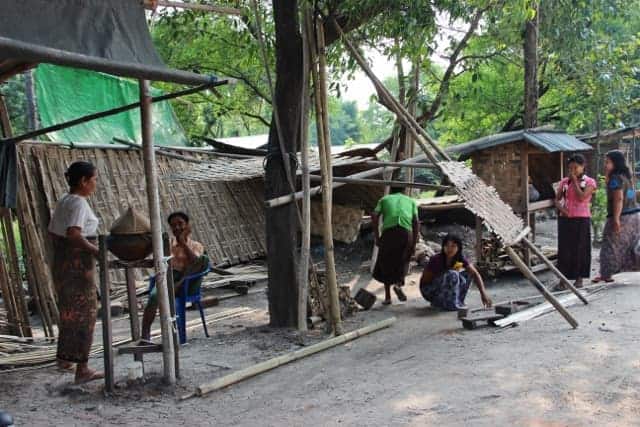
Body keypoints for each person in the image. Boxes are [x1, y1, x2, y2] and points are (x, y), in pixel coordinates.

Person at [48, 161, 103, 384]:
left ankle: (65, 359)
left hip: (63, 265)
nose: (95, 184)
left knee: (69, 314)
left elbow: (54, 233)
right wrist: (96, 251)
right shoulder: (79, 203)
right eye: (94, 180)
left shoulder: (64, 200)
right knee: (85, 315)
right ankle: (83, 369)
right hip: (78, 269)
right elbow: (73, 234)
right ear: (83, 181)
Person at [141, 211, 209, 341]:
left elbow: (196, 263)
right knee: (155, 295)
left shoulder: (196, 245)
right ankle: (145, 333)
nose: (177, 227)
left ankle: (175, 287)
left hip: (187, 283)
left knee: (202, 260)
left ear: (187, 225)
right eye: (173, 225)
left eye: (180, 224)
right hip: (168, 277)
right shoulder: (167, 244)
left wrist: (183, 243)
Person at [594, 150, 640, 282]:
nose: (605, 165)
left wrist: (615, 219)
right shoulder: (627, 177)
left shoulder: (616, 179)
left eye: (607, 162)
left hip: (623, 216)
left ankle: (606, 273)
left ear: (615, 162)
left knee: (609, 244)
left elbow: (618, 199)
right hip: (634, 215)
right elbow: (629, 195)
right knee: (631, 246)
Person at [554, 154, 597, 289]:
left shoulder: (589, 182)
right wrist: (562, 209)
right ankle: (563, 280)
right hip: (566, 219)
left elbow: (582, 198)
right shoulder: (564, 182)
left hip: (581, 219)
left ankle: (579, 278)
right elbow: (556, 199)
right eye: (570, 168)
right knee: (565, 250)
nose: (572, 171)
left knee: (580, 249)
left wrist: (574, 181)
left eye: (575, 168)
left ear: (583, 167)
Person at [372, 187, 419, 305]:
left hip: (389, 233)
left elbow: (374, 215)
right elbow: (416, 222)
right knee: (403, 260)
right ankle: (398, 285)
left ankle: (388, 297)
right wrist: (413, 243)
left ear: (391, 191)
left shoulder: (384, 199)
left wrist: (377, 237)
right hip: (405, 232)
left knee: (385, 262)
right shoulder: (411, 201)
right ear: (403, 191)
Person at [419, 234, 492, 310]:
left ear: (458, 248)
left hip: (444, 289)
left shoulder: (460, 259)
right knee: (452, 274)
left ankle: (458, 301)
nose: (449, 249)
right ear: (443, 247)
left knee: (468, 274)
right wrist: (447, 276)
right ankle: (448, 304)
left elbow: (475, 274)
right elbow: (426, 281)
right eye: (447, 246)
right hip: (430, 291)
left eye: (453, 246)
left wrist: (483, 294)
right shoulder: (436, 259)